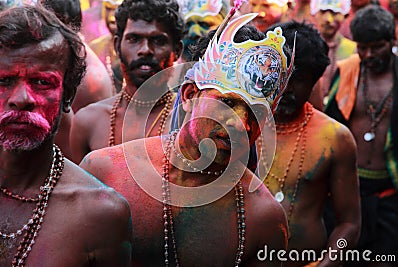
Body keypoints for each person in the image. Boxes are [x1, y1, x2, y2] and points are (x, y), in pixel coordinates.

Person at [80, 13, 291, 266]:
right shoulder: (106, 171)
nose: (241, 123)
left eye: (256, 113)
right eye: (227, 102)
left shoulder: (264, 218)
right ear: (190, 95)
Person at [0, 5, 132, 266]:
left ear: (68, 95)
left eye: (41, 82)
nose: (21, 99)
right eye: (4, 81)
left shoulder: (100, 213)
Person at [265, 21, 360, 266]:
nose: (284, 88)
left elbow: (349, 224)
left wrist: (325, 264)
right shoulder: (238, 126)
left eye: (297, 79)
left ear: (315, 81)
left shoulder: (335, 138)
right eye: (278, 74)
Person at [325, 5, 398, 266]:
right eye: (362, 47)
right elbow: (330, 125)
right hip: (348, 191)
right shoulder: (346, 71)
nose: (368, 54)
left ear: (392, 41)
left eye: (376, 47)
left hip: (390, 193)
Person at [69, 0, 184, 164]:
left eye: (158, 40)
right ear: (117, 45)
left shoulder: (188, 119)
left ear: (177, 50)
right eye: (134, 39)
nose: (145, 50)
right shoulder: (88, 122)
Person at [309, 0, 356, 109]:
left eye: (334, 13)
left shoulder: (353, 49)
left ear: (345, 15)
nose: (328, 19)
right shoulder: (304, 47)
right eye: (323, 12)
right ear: (314, 14)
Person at [89, 0, 123, 93]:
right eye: (108, 9)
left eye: (118, 9)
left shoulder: (142, 49)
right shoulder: (94, 49)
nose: (112, 17)